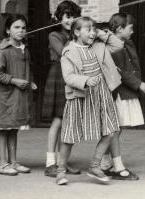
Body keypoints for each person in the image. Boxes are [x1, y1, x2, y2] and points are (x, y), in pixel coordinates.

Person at [55, 17, 123, 186]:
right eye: (88, 30)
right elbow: (68, 76)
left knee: (111, 130)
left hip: (102, 94)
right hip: (79, 96)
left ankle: (95, 166)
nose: (92, 33)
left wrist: (102, 34)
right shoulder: (69, 51)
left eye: (94, 29)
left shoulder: (99, 46)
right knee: (69, 135)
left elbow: (118, 45)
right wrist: (85, 80)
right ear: (77, 32)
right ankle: (60, 171)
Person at [103, 13, 145, 180]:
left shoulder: (126, 43)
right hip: (118, 92)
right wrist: (138, 84)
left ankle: (106, 160)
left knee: (117, 128)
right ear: (119, 29)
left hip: (125, 91)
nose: (133, 31)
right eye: (130, 28)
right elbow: (121, 71)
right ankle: (113, 164)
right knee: (114, 128)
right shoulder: (114, 47)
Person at [0, 14, 36, 176]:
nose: (21, 31)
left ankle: (13, 161)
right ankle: (2, 163)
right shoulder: (2, 50)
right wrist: (15, 81)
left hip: (17, 96)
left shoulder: (24, 49)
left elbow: (26, 69)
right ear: (7, 30)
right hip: (5, 96)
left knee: (13, 129)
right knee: (4, 129)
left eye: (23, 28)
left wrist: (30, 81)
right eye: (16, 27)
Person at [43, 1, 82, 178]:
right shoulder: (54, 35)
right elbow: (66, 54)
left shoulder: (76, 36)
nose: (70, 19)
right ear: (59, 18)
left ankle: (62, 162)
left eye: (74, 16)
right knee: (58, 120)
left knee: (69, 122)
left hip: (72, 77)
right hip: (59, 76)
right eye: (67, 16)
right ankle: (50, 163)